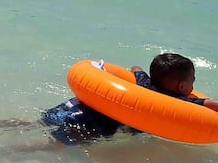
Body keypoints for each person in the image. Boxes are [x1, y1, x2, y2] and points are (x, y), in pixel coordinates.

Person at [41, 54, 218, 146]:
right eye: (193, 80)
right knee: (50, 144)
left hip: (79, 106)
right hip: (94, 124)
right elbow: (210, 105)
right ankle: (24, 150)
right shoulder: (178, 101)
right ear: (182, 86)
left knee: (39, 124)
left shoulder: (143, 82)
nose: (193, 84)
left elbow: (136, 68)